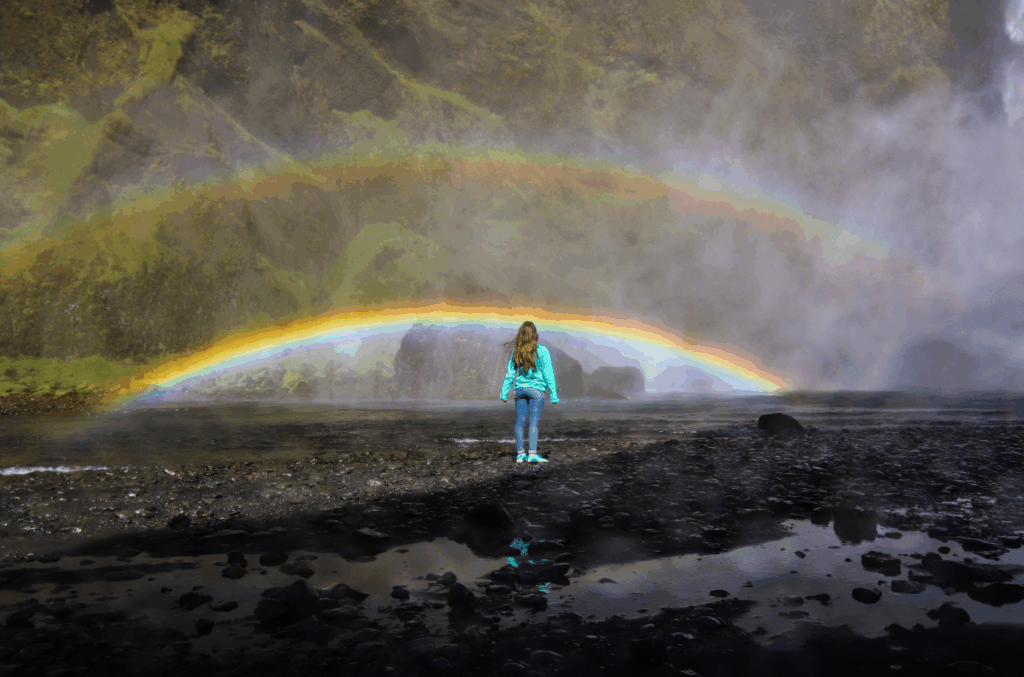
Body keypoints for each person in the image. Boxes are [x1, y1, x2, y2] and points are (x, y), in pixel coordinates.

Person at [500, 321, 559, 463]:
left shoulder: (517, 352)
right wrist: (553, 394)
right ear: (535, 334)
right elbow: (548, 374)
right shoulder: (542, 350)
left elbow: (510, 373)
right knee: (533, 423)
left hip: (520, 390)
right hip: (536, 391)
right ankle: (532, 454)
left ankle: (520, 454)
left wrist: (504, 392)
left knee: (519, 422)